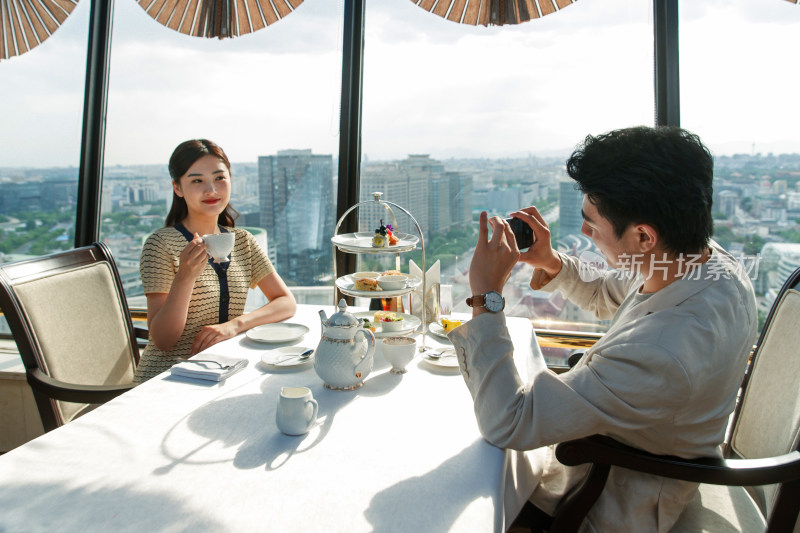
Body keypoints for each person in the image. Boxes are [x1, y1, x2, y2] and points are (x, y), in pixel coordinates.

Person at [448, 126, 757, 532]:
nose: (585, 235)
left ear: (644, 236)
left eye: (592, 226)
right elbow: (608, 293)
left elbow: (508, 423)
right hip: (649, 447)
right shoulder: (706, 264)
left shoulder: (664, 351)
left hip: (612, 497)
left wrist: (486, 296)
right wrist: (551, 262)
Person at [135, 139, 296, 382]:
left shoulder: (243, 241)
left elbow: (286, 302)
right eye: (197, 180)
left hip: (221, 373)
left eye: (220, 178)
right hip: (166, 380)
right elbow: (164, 341)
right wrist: (185, 278)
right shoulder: (161, 245)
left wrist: (235, 325)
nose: (211, 190)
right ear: (177, 187)